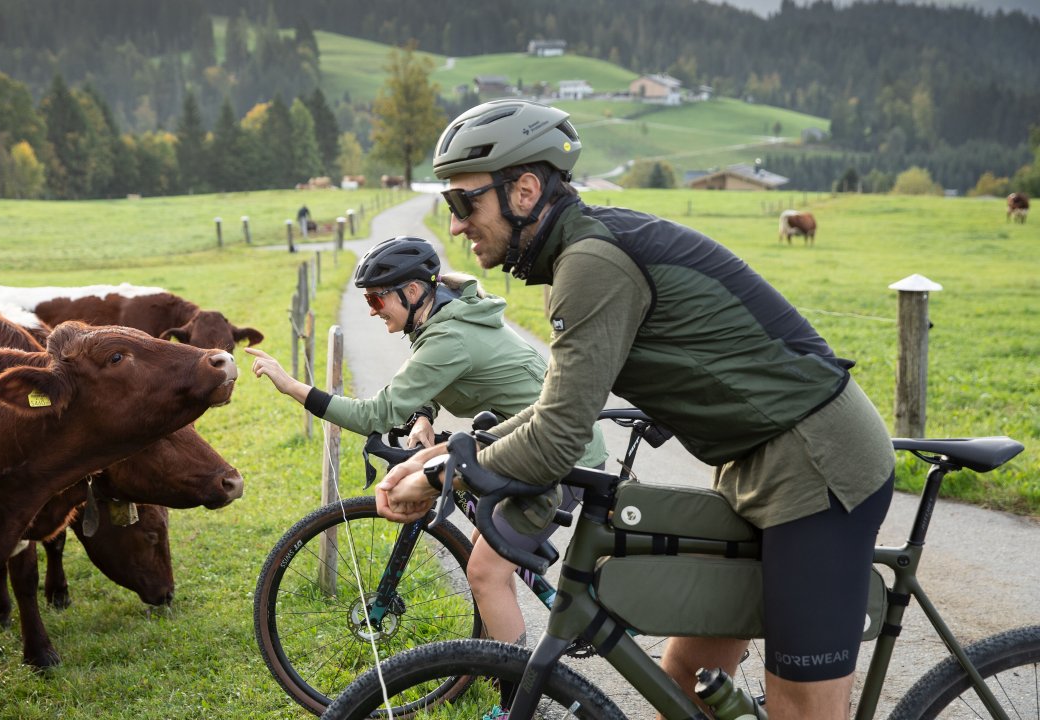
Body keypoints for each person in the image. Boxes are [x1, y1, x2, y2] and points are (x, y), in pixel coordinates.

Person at [376, 99, 895, 720]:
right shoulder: (583, 253)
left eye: (464, 204)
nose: (456, 225)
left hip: (819, 464)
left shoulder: (591, 263)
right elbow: (555, 409)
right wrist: (444, 453)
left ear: (525, 189)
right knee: (682, 682)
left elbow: (557, 438)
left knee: (798, 708)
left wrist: (438, 474)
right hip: (753, 467)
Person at [246, 235, 607, 652]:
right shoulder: (450, 317)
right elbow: (441, 378)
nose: (371, 310)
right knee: (484, 554)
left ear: (413, 291)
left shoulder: (447, 338)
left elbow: (375, 415)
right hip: (531, 445)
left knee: (484, 573)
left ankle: (514, 700)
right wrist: (423, 416)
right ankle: (498, 666)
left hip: (559, 455)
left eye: (377, 300)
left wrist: (292, 387)